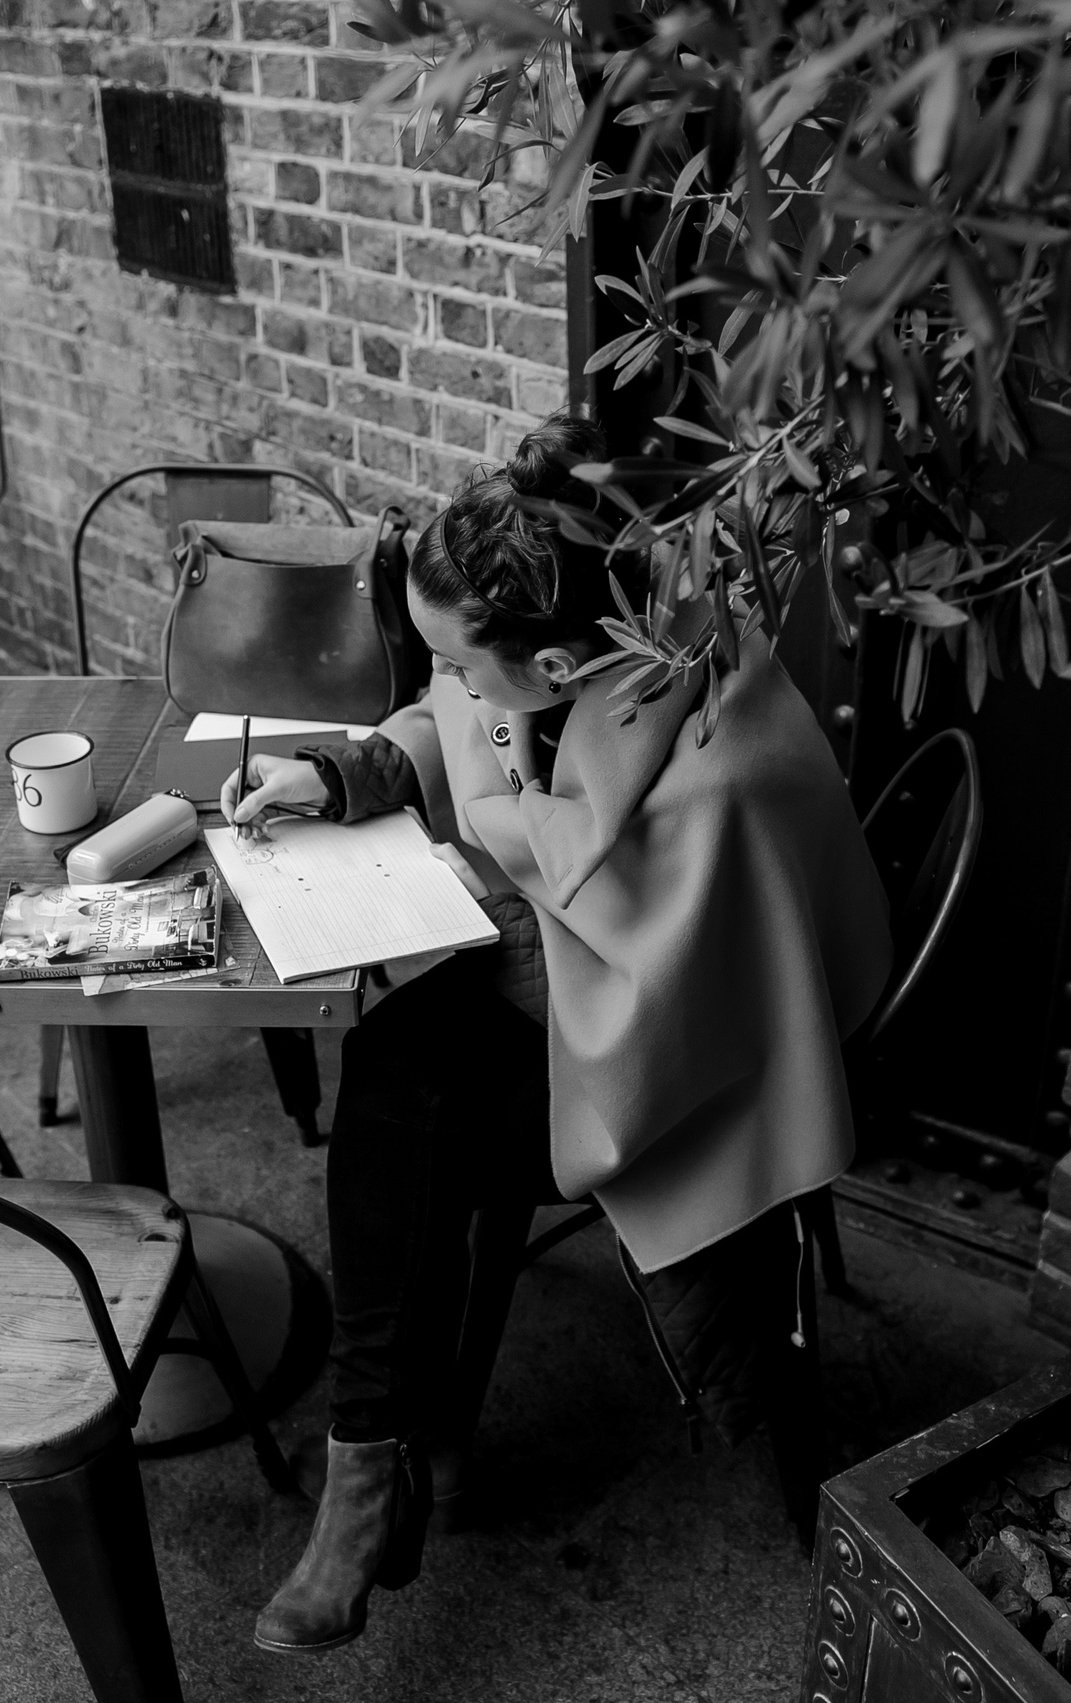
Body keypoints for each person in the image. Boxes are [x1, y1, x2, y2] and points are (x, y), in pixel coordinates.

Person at [220, 411, 890, 1655]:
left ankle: (382, 1467)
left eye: (472, 667)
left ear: (562, 656)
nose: (454, 687)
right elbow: (455, 713)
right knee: (397, 1067)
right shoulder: (572, 647)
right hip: (611, 1005)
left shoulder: (709, 774)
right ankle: (373, 1462)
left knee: (404, 1103)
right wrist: (352, 771)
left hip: (704, 1074)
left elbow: (670, 1029)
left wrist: (495, 905)